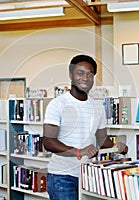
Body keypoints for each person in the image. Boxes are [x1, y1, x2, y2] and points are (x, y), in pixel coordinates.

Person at [43, 54, 128, 200]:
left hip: (88, 175)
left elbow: (102, 139)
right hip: (62, 177)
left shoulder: (97, 106)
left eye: (90, 74)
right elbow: (48, 142)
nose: (85, 78)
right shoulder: (58, 104)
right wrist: (79, 152)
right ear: (71, 75)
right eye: (80, 73)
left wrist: (117, 148)